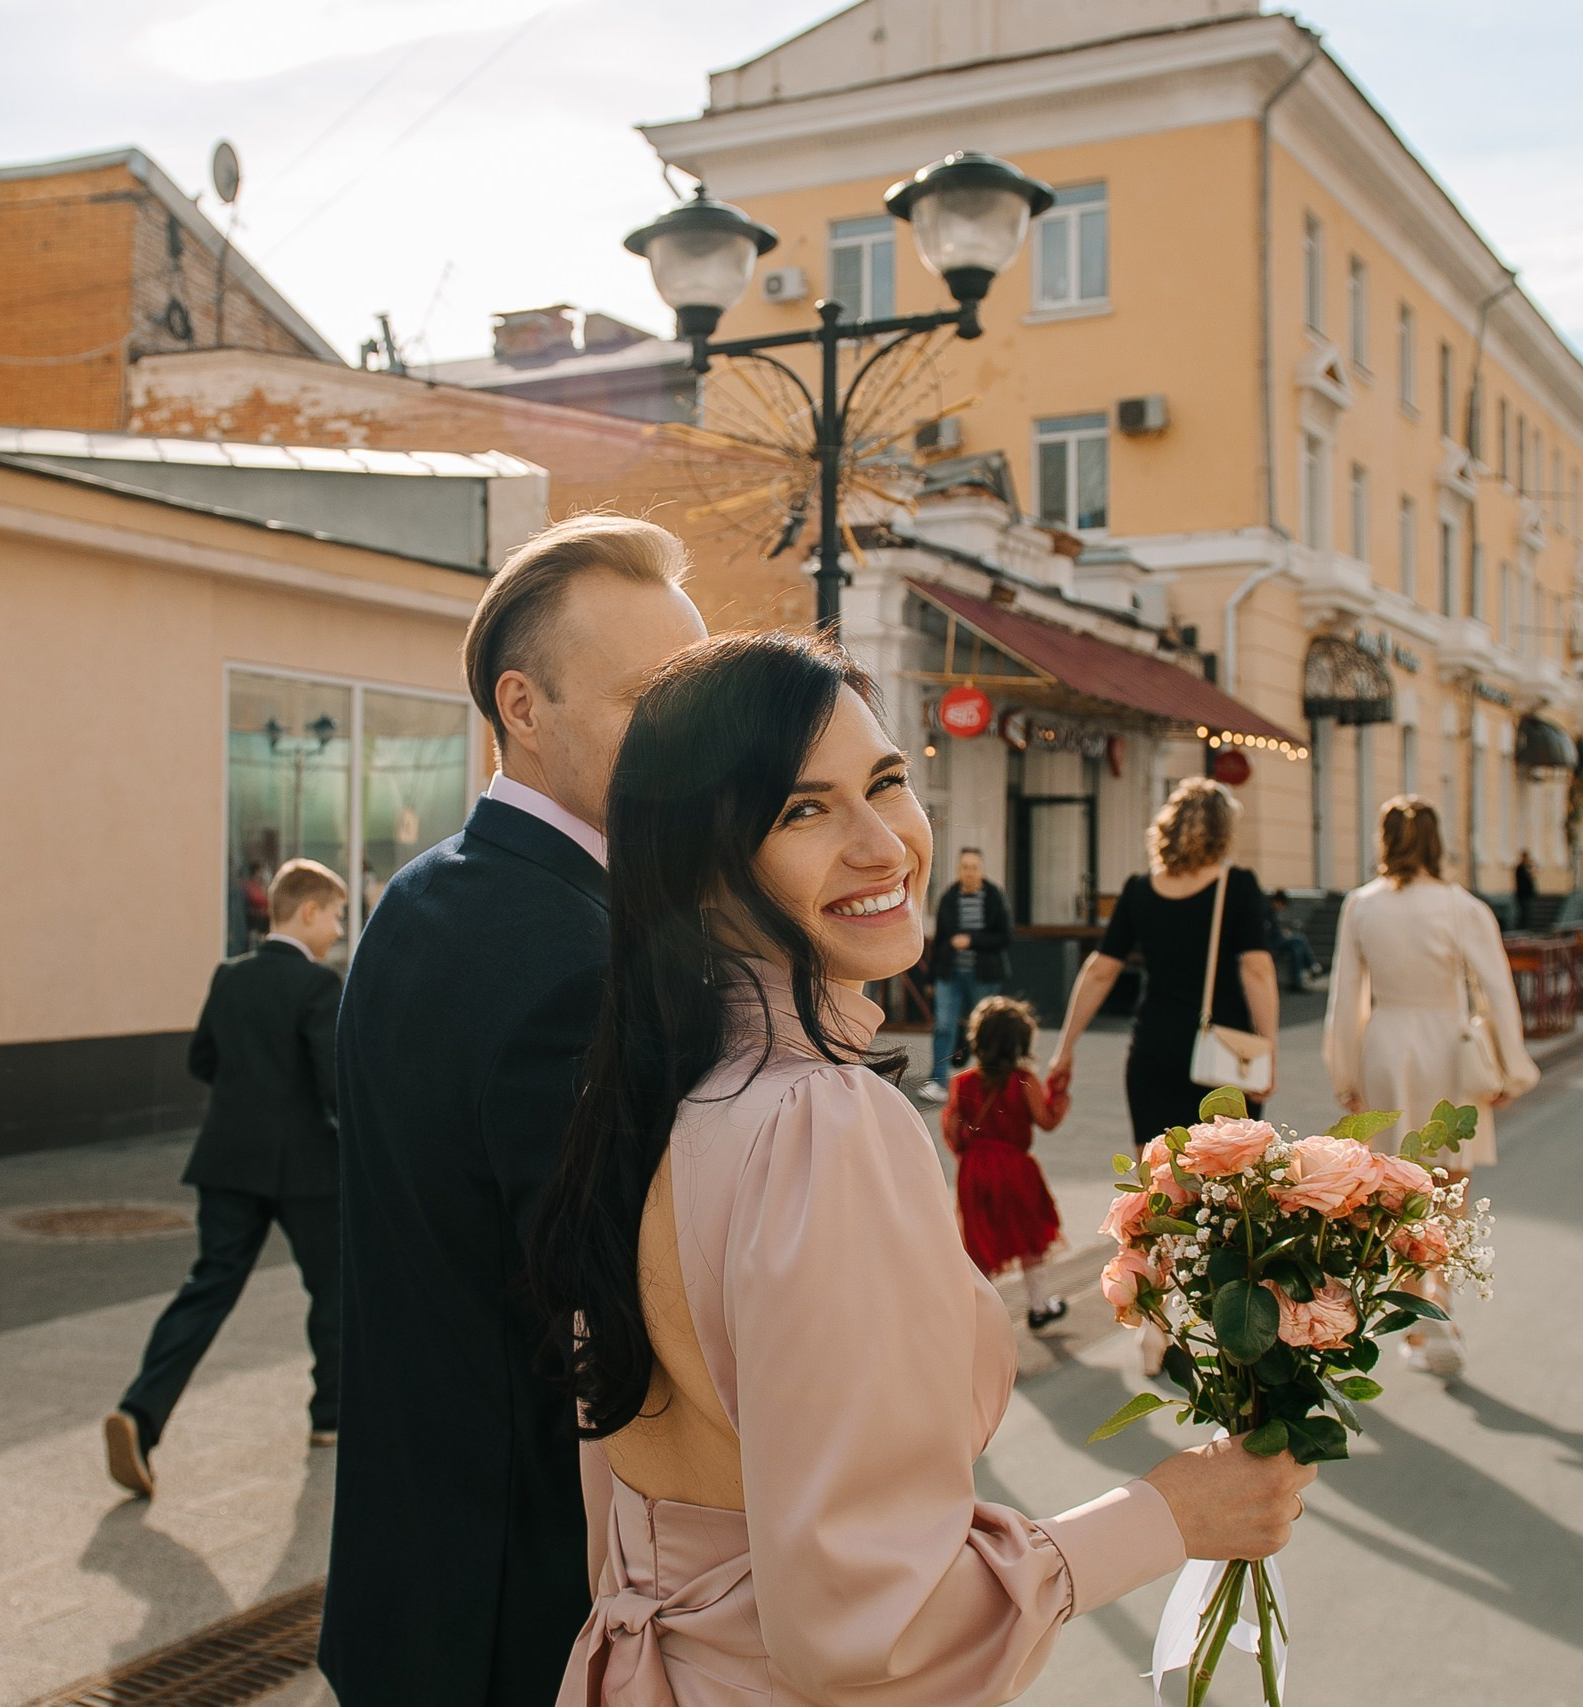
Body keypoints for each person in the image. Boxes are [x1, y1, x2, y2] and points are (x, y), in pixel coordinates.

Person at [526, 630, 1313, 1703]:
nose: (883, 844)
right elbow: (870, 1635)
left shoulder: (646, 1090)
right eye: (802, 810)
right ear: (702, 867)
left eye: (886, 782)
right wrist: (1172, 1513)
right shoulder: (821, 1123)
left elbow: (622, 1511)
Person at [322, 516, 706, 1707]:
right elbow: (622, 1333)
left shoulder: (426, 892)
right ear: (522, 707)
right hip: (523, 1611)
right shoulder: (569, 954)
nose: (686, 737)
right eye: (653, 697)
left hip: (415, 1579)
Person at [105, 858, 348, 1499]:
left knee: (208, 1286)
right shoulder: (319, 987)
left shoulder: (230, 977)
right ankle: (330, 1416)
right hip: (306, 1169)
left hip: (228, 1161)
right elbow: (334, 1086)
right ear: (307, 912)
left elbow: (201, 1059)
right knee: (335, 1286)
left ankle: (140, 1413)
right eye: (337, 916)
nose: (339, 930)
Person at [1322, 796, 1537, 1377]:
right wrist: (1511, 1067)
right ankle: (1440, 1300)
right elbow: (1496, 990)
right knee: (1451, 1183)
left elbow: (1345, 997)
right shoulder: (1463, 908)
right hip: (1448, 1047)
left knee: (1396, 1188)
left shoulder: (1360, 906)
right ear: (1439, 842)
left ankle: (1415, 1307)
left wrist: (1345, 1073)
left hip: (1386, 1046)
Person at [1046, 778, 1281, 1144]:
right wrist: (1267, 1051)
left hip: (1155, 1050)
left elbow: (1100, 972)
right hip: (1225, 1054)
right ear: (1224, 831)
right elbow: (1257, 971)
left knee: (1157, 1180)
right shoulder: (1237, 886)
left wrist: (1065, 1049)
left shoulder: (1139, 890)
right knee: (1228, 1182)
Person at [942, 995, 1070, 1329]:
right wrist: (1058, 1096)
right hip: (1015, 1168)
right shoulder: (1024, 1080)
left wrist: (968, 1153)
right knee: (1028, 1237)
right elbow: (1046, 1121)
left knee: (979, 1242)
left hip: (976, 1168)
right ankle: (1039, 1304)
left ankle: (976, 1315)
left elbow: (953, 1130)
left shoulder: (963, 1082)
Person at [918, 847, 1011, 1102]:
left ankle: (985, 1082)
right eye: (965, 867)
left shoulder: (993, 897)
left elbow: (1005, 937)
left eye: (974, 867)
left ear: (981, 870)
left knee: (982, 1030)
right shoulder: (949, 897)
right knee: (944, 1026)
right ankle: (938, 1081)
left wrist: (971, 941)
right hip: (950, 975)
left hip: (983, 976)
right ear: (958, 870)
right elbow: (939, 941)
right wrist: (930, 979)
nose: (969, 872)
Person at [1267, 891, 1322, 991]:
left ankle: (1297, 982)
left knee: (1297, 949)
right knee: (1300, 938)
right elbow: (1270, 932)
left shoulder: (1270, 912)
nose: (1282, 909)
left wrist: (1283, 933)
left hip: (1276, 941)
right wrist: (1282, 934)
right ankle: (1313, 965)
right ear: (1278, 902)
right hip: (1273, 944)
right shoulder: (1268, 912)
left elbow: (1273, 930)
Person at [1511, 849, 1538, 926]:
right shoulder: (1520, 868)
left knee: (1528, 912)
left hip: (1527, 894)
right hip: (1523, 894)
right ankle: (1522, 927)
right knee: (1524, 912)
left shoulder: (1525, 868)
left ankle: (1526, 926)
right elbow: (1526, 878)